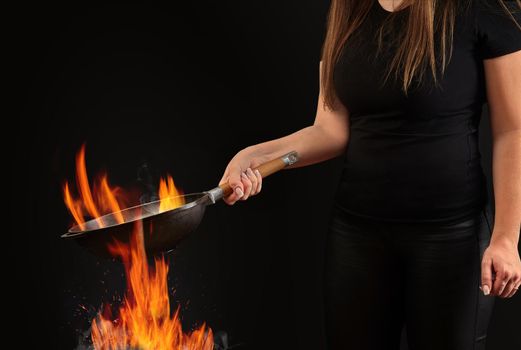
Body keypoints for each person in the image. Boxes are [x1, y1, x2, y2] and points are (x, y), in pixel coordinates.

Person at [218, 0, 521, 348]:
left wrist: (506, 239)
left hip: (452, 238)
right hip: (357, 238)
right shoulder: (348, 8)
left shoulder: (484, 8)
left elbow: (513, 130)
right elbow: (330, 130)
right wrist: (254, 156)